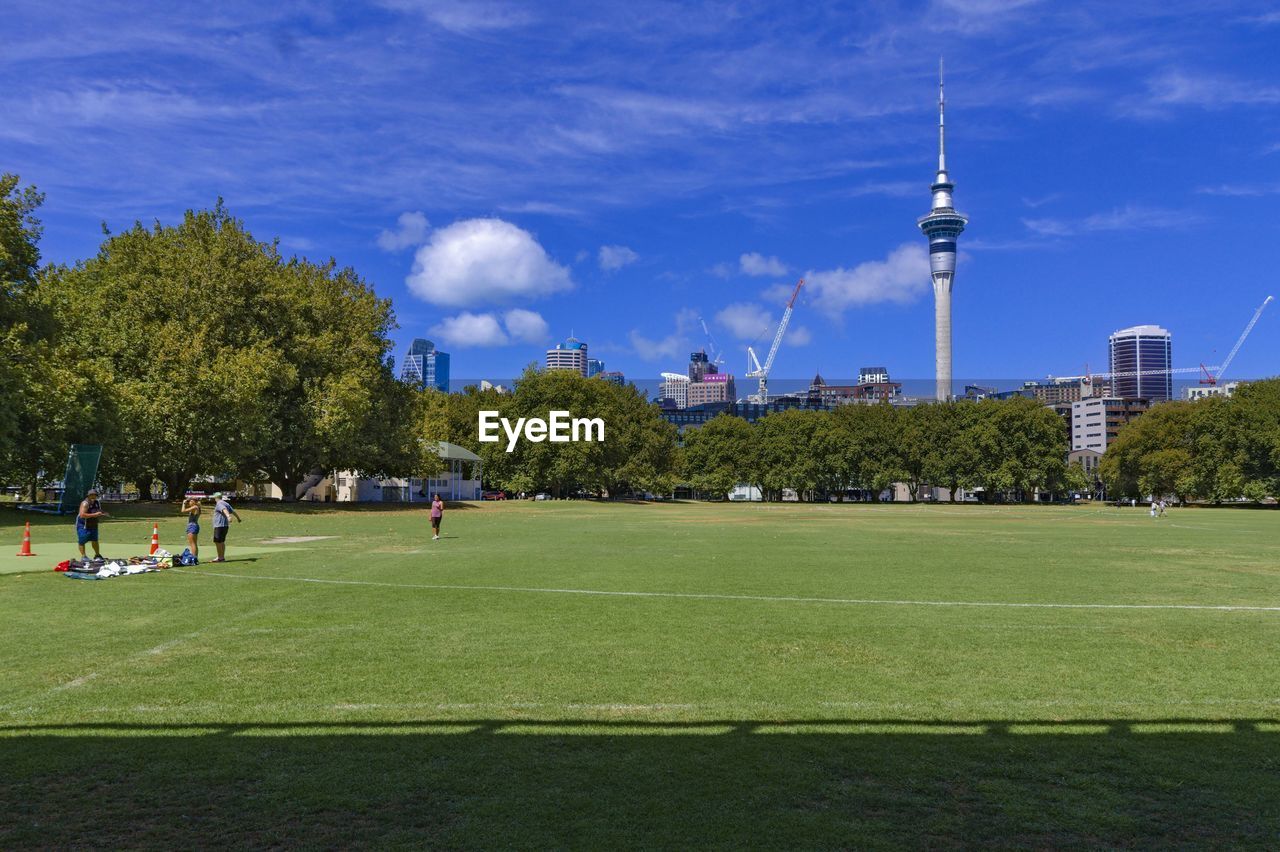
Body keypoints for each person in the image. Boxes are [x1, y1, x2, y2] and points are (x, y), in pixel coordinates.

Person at [76, 488, 109, 559]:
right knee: (82, 541)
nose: (93, 496)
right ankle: (84, 556)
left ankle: (97, 555)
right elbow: (82, 515)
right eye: (91, 495)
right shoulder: (85, 503)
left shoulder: (97, 502)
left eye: (94, 495)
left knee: (95, 540)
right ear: (88, 496)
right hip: (83, 525)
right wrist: (95, 515)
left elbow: (98, 511)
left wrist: (103, 513)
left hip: (93, 524)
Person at [210, 492, 242, 563]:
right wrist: (238, 518)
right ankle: (222, 557)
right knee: (221, 541)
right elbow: (233, 511)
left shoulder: (219, 503)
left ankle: (220, 558)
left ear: (216, 498)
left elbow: (224, 509)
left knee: (217, 541)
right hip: (225, 526)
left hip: (219, 525)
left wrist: (228, 516)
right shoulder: (226, 503)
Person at [180, 494, 202, 560]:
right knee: (194, 544)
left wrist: (183, 503)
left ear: (194, 502)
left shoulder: (195, 507)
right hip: (194, 525)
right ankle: (195, 558)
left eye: (190, 501)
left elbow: (183, 511)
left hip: (192, 526)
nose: (189, 502)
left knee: (192, 544)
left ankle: (194, 558)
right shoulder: (197, 507)